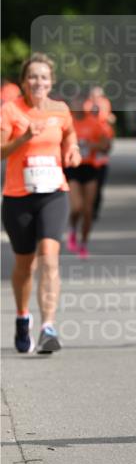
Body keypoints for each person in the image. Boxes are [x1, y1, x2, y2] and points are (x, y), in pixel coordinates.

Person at [1, 53, 81, 353]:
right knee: (25, 264)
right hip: (18, 197)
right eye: (33, 77)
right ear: (24, 81)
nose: (38, 82)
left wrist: (72, 148)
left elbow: (69, 133)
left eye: (44, 77)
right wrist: (22, 138)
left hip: (53, 192)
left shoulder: (60, 110)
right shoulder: (11, 110)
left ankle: (48, 326)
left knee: (49, 257)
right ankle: (23, 317)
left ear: (51, 82)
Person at [65, 103, 114, 258]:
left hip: (90, 168)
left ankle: (84, 243)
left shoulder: (95, 122)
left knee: (88, 211)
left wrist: (91, 145)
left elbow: (106, 146)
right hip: (73, 168)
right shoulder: (67, 121)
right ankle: (72, 230)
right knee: (76, 207)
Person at [83, 85, 116, 221]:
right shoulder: (86, 105)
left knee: (99, 184)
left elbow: (109, 117)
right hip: (88, 149)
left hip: (101, 147)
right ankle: (86, 208)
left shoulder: (105, 104)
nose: (96, 98)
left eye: (98, 95)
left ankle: (94, 209)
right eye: (93, 95)